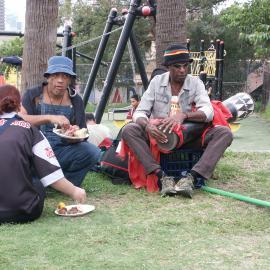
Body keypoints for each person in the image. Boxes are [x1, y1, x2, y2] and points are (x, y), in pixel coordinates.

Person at [121, 44, 233, 198]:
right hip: (159, 137)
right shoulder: (156, 82)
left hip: (189, 137)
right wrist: (147, 126)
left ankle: (191, 178)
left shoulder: (195, 83)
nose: (182, 70)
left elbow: (208, 112)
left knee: (224, 133)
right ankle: (161, 177)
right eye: (177, 66)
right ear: (168, 67)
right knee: (129, 129)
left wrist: (184, 115)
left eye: (185, 66)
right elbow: (140, 112)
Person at [0, 85, 86, 224]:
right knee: (37, 184)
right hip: (22, 212)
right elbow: (51, 174)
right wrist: (75, 191)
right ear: (19, 105)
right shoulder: (30, 130)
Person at [20, 56, 101, 187]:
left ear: (69, 79)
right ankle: (42, 181)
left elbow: (82, 134)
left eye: (65, 76)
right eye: (56, 75)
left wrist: (73, 134)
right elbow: (19, 119)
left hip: (63, 150)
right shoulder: (33, 94)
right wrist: (49, 117)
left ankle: (66, 183)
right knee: (33, 184)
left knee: (92, 152)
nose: (60, 80)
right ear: (48, 76)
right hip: (37, 152)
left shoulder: (75, 100)